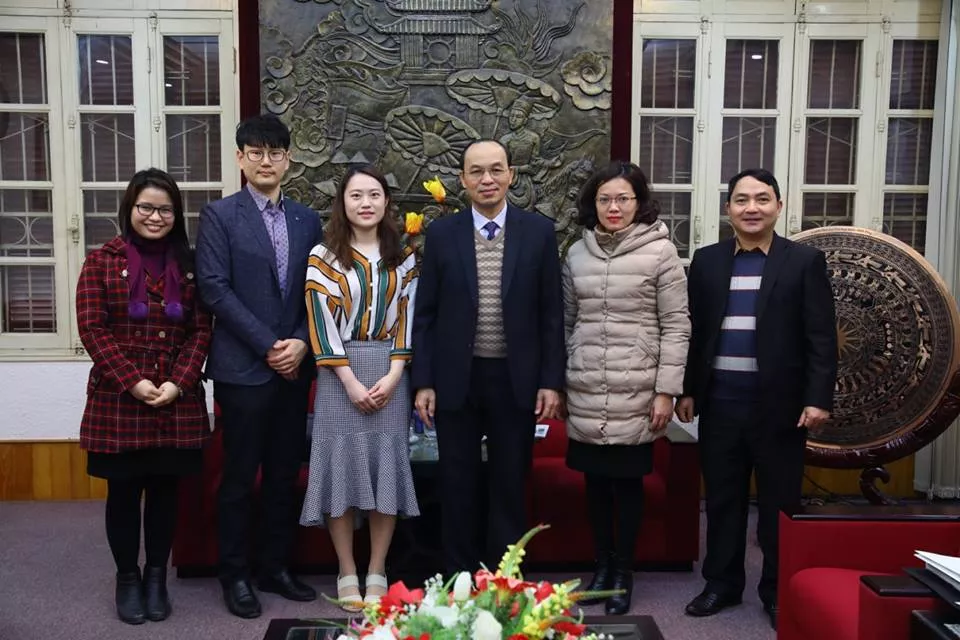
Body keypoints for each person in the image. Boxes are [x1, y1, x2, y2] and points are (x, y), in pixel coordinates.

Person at [678, 168, 837, 630]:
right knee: (722, 501)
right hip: (720, 405)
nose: (752, 208)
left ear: (778, 207)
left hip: (780, 409)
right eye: (742, 200)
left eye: (762, 199)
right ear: (728, 209)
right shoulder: (707, 261)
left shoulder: (803, 261)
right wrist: (689, 390)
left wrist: (817, 398)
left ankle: (777, 591)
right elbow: (695, 333)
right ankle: (722, 585)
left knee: (777, 507)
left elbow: (821, 337)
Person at [411, 139, 566, 575]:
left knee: (509, 483)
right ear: (462, 179)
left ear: (511, 175)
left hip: (516, 379)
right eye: (476, 171)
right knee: (456, 483)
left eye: (496, 169)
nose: (487, 179)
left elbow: (551, 314)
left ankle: (504, 578)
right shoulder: (443, 234)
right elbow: (426, 314)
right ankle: (459, 578)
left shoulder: (537, 232)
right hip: (456, 378)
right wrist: (424, 381)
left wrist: (550, 381)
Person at [195, 114, 323, 618]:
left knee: (283, 474)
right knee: (239, 476)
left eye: (275, 152)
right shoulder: (219, 215)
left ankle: (275, 566)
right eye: (255, 152)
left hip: (294, 369)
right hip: (243, 370)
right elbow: (214, 289)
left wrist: (300, 342)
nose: (265, 161)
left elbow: (319, 291)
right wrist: (270, 345)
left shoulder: (308, 220)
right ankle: (235, 574)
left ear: (288, 160)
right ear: (240, 158)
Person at [76, 168, 212, 625]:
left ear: (177, 214)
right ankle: (127, 579)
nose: (155, 217)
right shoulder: (101, 261)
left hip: (176, 396)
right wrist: (132, 380)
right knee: (123, 492)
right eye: (146, 208)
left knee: (165, 493)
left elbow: (201, 331)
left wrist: (179, 382)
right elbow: (92, 329)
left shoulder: (189, 265)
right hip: (120, 397)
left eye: (165, 210)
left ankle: (156, 578)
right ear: (130, 209)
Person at [562, 161, 689, 615]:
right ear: (592, 203)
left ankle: (624, 573)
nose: (613, 207)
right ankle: (601, 567)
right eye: (604, 199)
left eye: (622, 198)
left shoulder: (661, 252)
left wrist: (666, 391)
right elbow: (568, 321)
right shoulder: (577, 253)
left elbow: (676, 325)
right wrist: (564, 376)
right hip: (587, 386)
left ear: (639, 202)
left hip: (638, 389)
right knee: (595, 485)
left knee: (628, 486)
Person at [299, 164, 420, 611]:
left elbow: (408, 317)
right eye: (356, 195)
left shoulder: (403, 257)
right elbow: (320, 322)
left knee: (385, 467)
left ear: (386, 201)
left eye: (373, 194)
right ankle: (347, 569)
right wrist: (349, 380)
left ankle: (378, 569)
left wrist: (394, 374)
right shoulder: (323, 256)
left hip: (390, 370)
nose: (365, 203)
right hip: (339, 375)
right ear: (343, 203)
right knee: (341, 468)